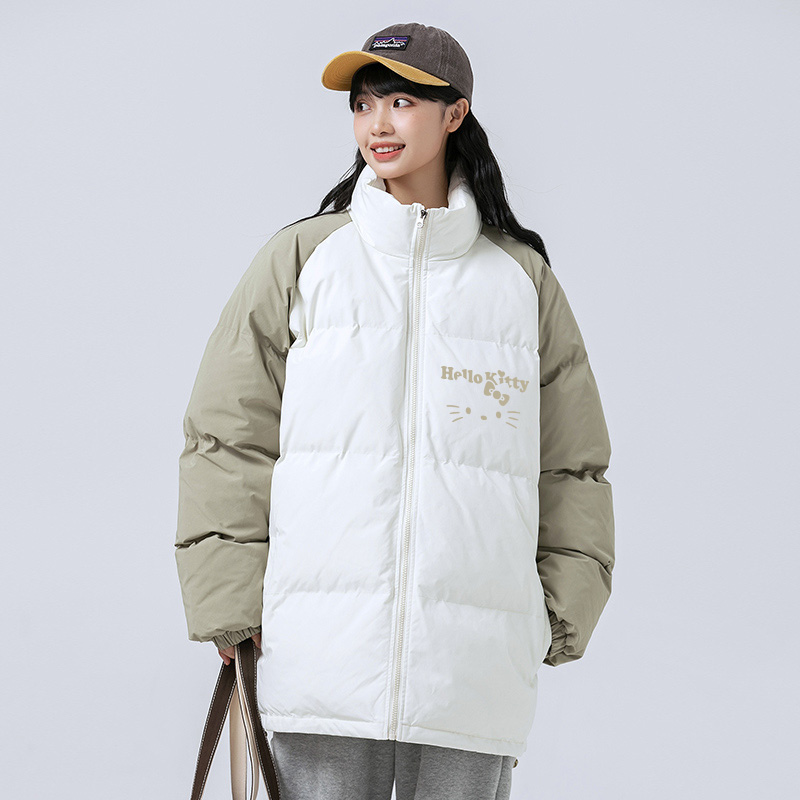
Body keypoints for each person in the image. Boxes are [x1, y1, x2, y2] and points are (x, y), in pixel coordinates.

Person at [174, 21, 615, 800]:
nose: (377, 123)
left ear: (455, 114)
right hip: (320, 661)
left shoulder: (519, 281)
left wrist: (554, 612)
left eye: (401, 102)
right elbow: (226, 438)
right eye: (363, 104)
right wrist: (229, 600)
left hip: (471, 669)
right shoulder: (304, 260)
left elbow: (572, 464)